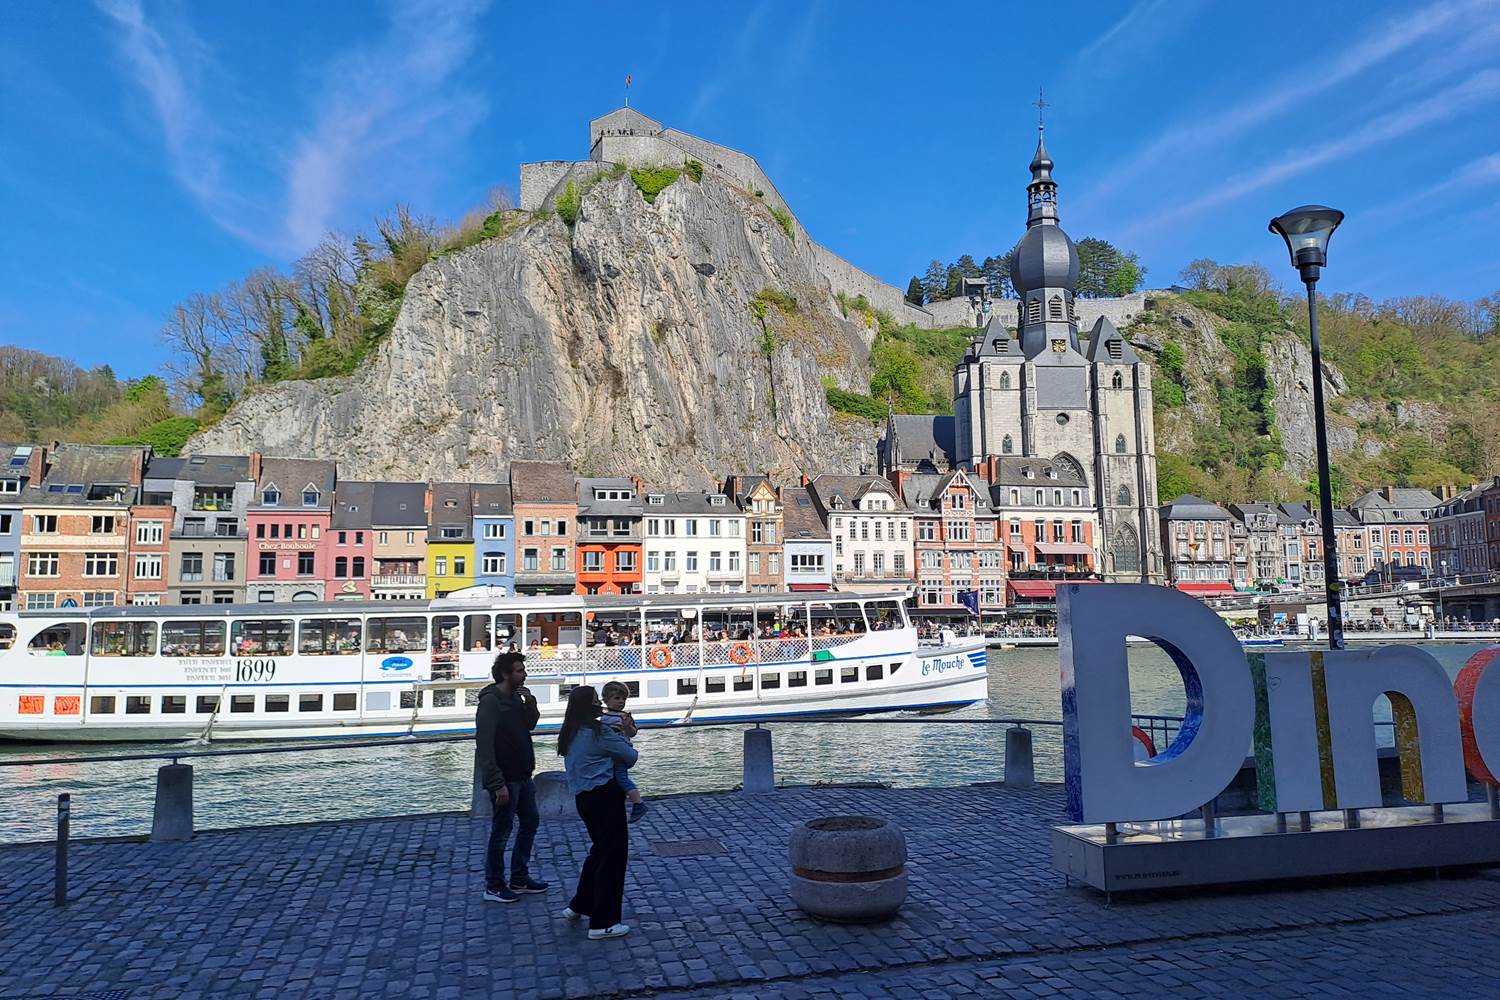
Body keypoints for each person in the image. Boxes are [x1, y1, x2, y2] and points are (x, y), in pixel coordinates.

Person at [557, 686, 637, 940]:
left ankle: (580, 904)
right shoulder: (599, 731)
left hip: (584, 797)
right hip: (605, 796)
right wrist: (625, 732)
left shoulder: (570, 731)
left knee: (599, 851)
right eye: (595, 701)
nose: (599, 705)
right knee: (613, 857)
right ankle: (603, 922)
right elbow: (630, 756)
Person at [475, 651, 547, 904]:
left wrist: (530, 703)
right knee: (502, 831)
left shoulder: (516, 697)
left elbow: (530, 724)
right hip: (506, 778)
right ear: (505, 674)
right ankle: (494, 884)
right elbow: (485, 744)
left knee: (530, 822)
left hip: (523, 775)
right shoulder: (491, 702)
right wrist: (497, 783)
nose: (524, 675)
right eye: (519, 671)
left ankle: (519, 878)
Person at [599, 681, 648, 822]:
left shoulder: (624, 716)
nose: (621, 701)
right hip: (611, 752)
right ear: (606, 700)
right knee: (613, 777)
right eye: (617, 698)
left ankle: (638, 803)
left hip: (620, 753)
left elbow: (633, 733)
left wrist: (627, 727)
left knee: (621, 777)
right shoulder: (605, 717)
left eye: (623, 699)